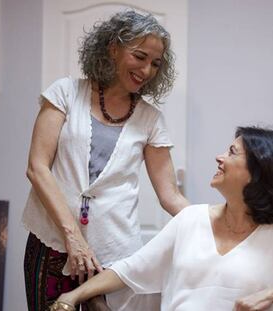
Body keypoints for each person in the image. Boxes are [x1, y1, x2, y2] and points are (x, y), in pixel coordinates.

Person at [50, 126, 273, 311]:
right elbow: (131, 270)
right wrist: (74, 296)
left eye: (232, 152)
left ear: (258, 173)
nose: (219, 157)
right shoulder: (190, 219)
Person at [22, 10, 189, 311]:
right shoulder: (65, 93)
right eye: (139, 56)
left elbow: (170, 196)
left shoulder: (151, 119)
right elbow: (37, 168)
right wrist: (73, 238)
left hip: (114, 258)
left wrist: (219, 223)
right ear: (113, 48)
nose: (147, 70)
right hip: (53, 245)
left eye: (155, 63)